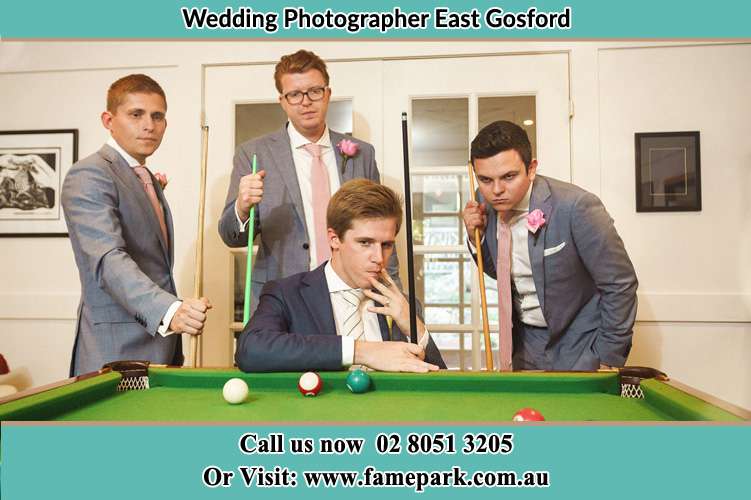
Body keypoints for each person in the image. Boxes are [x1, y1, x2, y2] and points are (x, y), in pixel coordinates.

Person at [218, 49, 400, 317]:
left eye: (314, 91)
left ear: (327, 94)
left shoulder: (362, 153)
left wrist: (394, 292)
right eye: (294, 94)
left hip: (355, 294)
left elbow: (382, 230)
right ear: (282, 100)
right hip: (282, 298)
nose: (305, 102)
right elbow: (231, 237)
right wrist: (242, 208)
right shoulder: (254, 154)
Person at [62, 74, 211, 376]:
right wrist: (171, 311)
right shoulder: (88, 174)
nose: (149, 125)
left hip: (160, 347)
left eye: (157, 116)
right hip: (116, 354)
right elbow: (107, 260)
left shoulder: (146, 178)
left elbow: (152, 262)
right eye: (136, 114)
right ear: (108, 119)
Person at [463, 121, 637, 371]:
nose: (497, 190)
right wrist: (474, 237)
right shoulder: (483, 202)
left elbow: (620, 284)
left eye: (509, 176)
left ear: (531, 168)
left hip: (580, 344)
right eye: (486, 179)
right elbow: (499, 271)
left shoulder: (577, 206)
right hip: (523, 346)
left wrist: (607, 355)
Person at [235, 179, 445, 372]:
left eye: (387, 244)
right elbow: (251, 350)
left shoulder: (405, 306)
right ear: (334, 239)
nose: (379, 258)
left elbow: (440, 386)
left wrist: (415, 326)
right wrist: (361, 352)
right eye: (365, 243)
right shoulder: (287, 294)